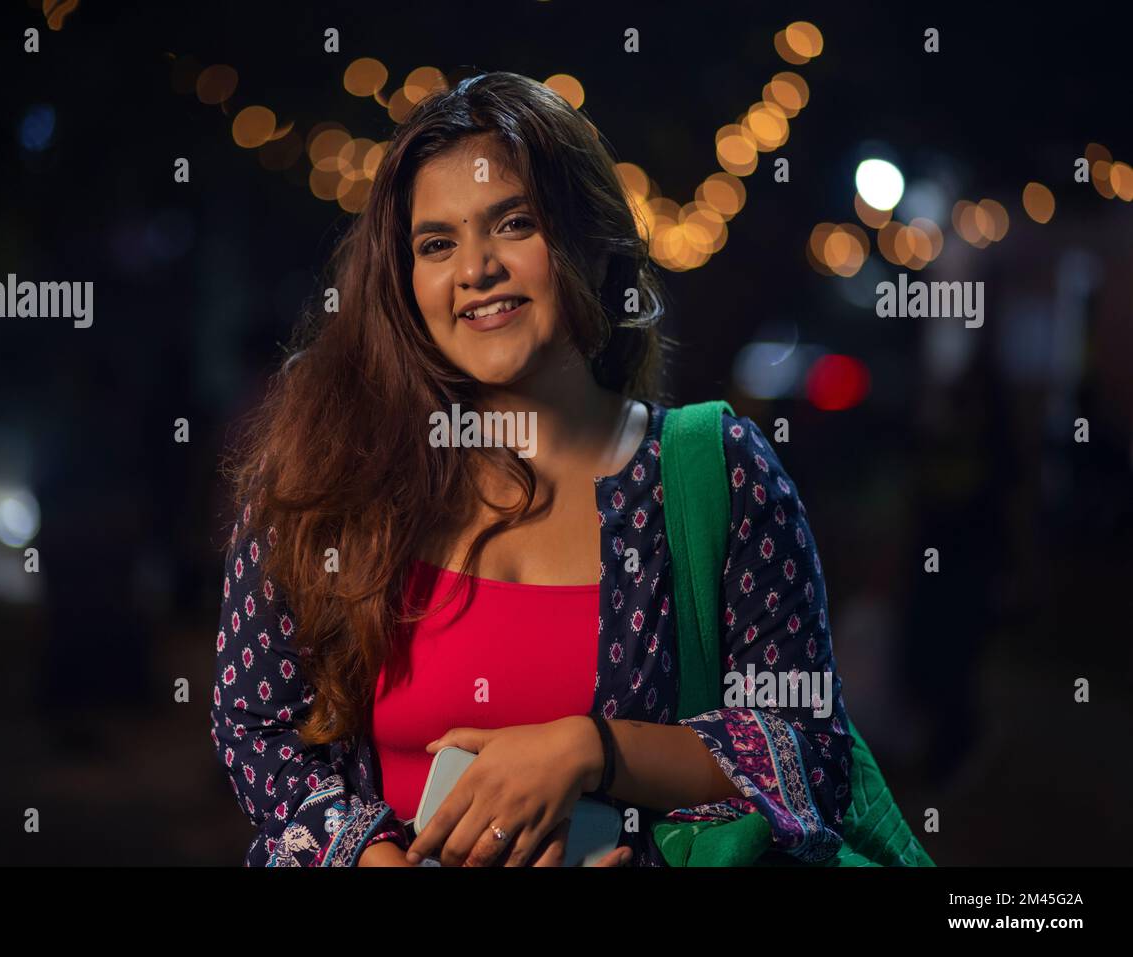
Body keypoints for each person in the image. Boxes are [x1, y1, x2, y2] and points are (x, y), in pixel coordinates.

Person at [210, 71, 852, 867]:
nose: (475, 268)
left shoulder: (716, 474)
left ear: (586, 240)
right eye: (436, 243)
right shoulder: (333, 476)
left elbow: (808, 751)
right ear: (406, 284)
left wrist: (589, 750)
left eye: (513, 223)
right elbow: (258, 725)